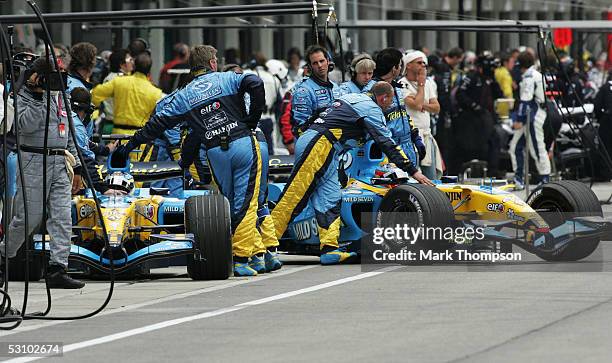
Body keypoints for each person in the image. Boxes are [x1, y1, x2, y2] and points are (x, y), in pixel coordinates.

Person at [114, 45, 268, 277]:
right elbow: (255, 83)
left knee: (232, 203)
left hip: (216, 152)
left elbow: (155, 126)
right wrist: (251, 120)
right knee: (246, 203)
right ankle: (242, 258)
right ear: (213, 62)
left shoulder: (183, 95)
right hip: (242, 143)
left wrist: (127, 148)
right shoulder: (227, 77)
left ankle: (257, 254)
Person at [272, 82, 433, 265]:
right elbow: (386, 142)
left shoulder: (351, 98)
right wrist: (413, 171)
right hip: (319, 144)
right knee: (295, 197)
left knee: (330, 198)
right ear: (384, 98)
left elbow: (320, 114)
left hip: (326, 146)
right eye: (388, 104)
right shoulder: (372, 109)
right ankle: (265, 247)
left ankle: (330, 249)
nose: (388, 107)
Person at [0, 58, 85, 289]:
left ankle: (58, 268)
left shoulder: (61, 95)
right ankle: (3, 257)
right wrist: (39, 96)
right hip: (31, 159)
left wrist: (76, 167)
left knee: (62, 217)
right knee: (29, 218)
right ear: (34, 76)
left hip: (59, 161)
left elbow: (69, 134)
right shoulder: (19, 97)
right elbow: (24, 126)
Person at [363, 48, 425, 169]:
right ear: (394, 68)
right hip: (387, 150)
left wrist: (416, 137)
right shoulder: (371, 90)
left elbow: (404, 115)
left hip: (407, 146)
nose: (402, 68)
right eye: (400, 65)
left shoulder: (396, 88)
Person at [450, 55, 503, 177]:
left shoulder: (490, 79)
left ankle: (493, 171)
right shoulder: (471, 77)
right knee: (462, 145)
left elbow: (499, 94)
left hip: (486, 118)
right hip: (469, 118)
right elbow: (460, 94)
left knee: (495, 141)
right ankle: (454, 172)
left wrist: (493, 80)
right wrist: (474, 106)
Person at [509, 51, 551, 189]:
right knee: (515, 146)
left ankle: (545, 177)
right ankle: (518, 178)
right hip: (533, 114)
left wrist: (519, 119)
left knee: (537, 147)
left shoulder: (529, 77)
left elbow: (525, 101)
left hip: (533, 115)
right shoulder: (536, 74)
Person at [70, 88, 121, 195]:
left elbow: (82, 143)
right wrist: (103, 188)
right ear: (86, 109)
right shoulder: (76, 125)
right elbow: (85, 157)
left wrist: (105, 149)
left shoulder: (60, 115)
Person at [400, 50, 442, 179]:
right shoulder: (402, 84)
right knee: (413, 175)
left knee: (431, 176)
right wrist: (421, 86)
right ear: (409, 65)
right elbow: (416, 105)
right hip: (411, 137)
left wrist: (422, 105)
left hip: (426, 135)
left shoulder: (429, 83)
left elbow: (436, 108)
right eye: (419, 62)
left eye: (424, 63)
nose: (423, 65)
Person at [291, 45, 341, 137]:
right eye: (315, 63)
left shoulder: (335, 87)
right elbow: (300, 128)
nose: (320, 65)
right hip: (313, 143)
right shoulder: (304, 90)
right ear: (310, 66)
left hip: (336, 143)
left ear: (328, 61)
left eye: (322, 61)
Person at [432, 47, 463, 162]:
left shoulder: (442, 67)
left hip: (438, 108)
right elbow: (444, 92)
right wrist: (449, 110)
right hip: (440, 109)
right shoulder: (444, 69)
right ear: (455, 58)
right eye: (458, 61)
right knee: (444, 141)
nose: (458, 64)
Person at [98, 49, 133, 135]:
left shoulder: (110, 77)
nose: (132, 62)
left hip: (111, 124)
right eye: (129, 60)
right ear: (121, 64)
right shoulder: (118, 80)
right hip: (116, 127)